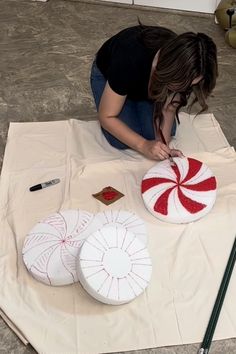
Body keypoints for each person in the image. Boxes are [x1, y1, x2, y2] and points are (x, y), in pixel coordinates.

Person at [90, 23, 218, 161]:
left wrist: (163, 148)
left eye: (190, 84)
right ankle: (127, 102)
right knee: (120, 140)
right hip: (108, 76)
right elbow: (107, 117)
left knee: (154, 135)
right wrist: (144, 145)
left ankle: (132, 104)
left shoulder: (186, 65)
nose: (184, 90)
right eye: (180, 83)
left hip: (145, 83)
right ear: (169, 70)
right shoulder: (129, 58)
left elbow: (169, 108)